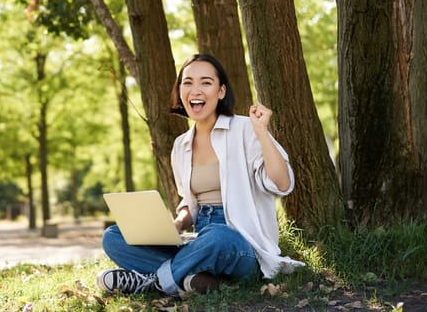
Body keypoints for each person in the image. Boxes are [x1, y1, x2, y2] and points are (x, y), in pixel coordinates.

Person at [96, 53, 305, 296]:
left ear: (221, 92)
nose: (196, 89)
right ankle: (195, 279)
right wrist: (177, 223)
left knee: (218, 236)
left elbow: (283, 184)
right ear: (180, 92)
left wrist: (262, 133)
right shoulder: (181, 145)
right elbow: (189, 201)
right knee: (113, 236)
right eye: (188, 82)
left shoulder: (246, 129)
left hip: (239, 245)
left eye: (206, 82)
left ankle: (154, 282)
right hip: (198, 241)